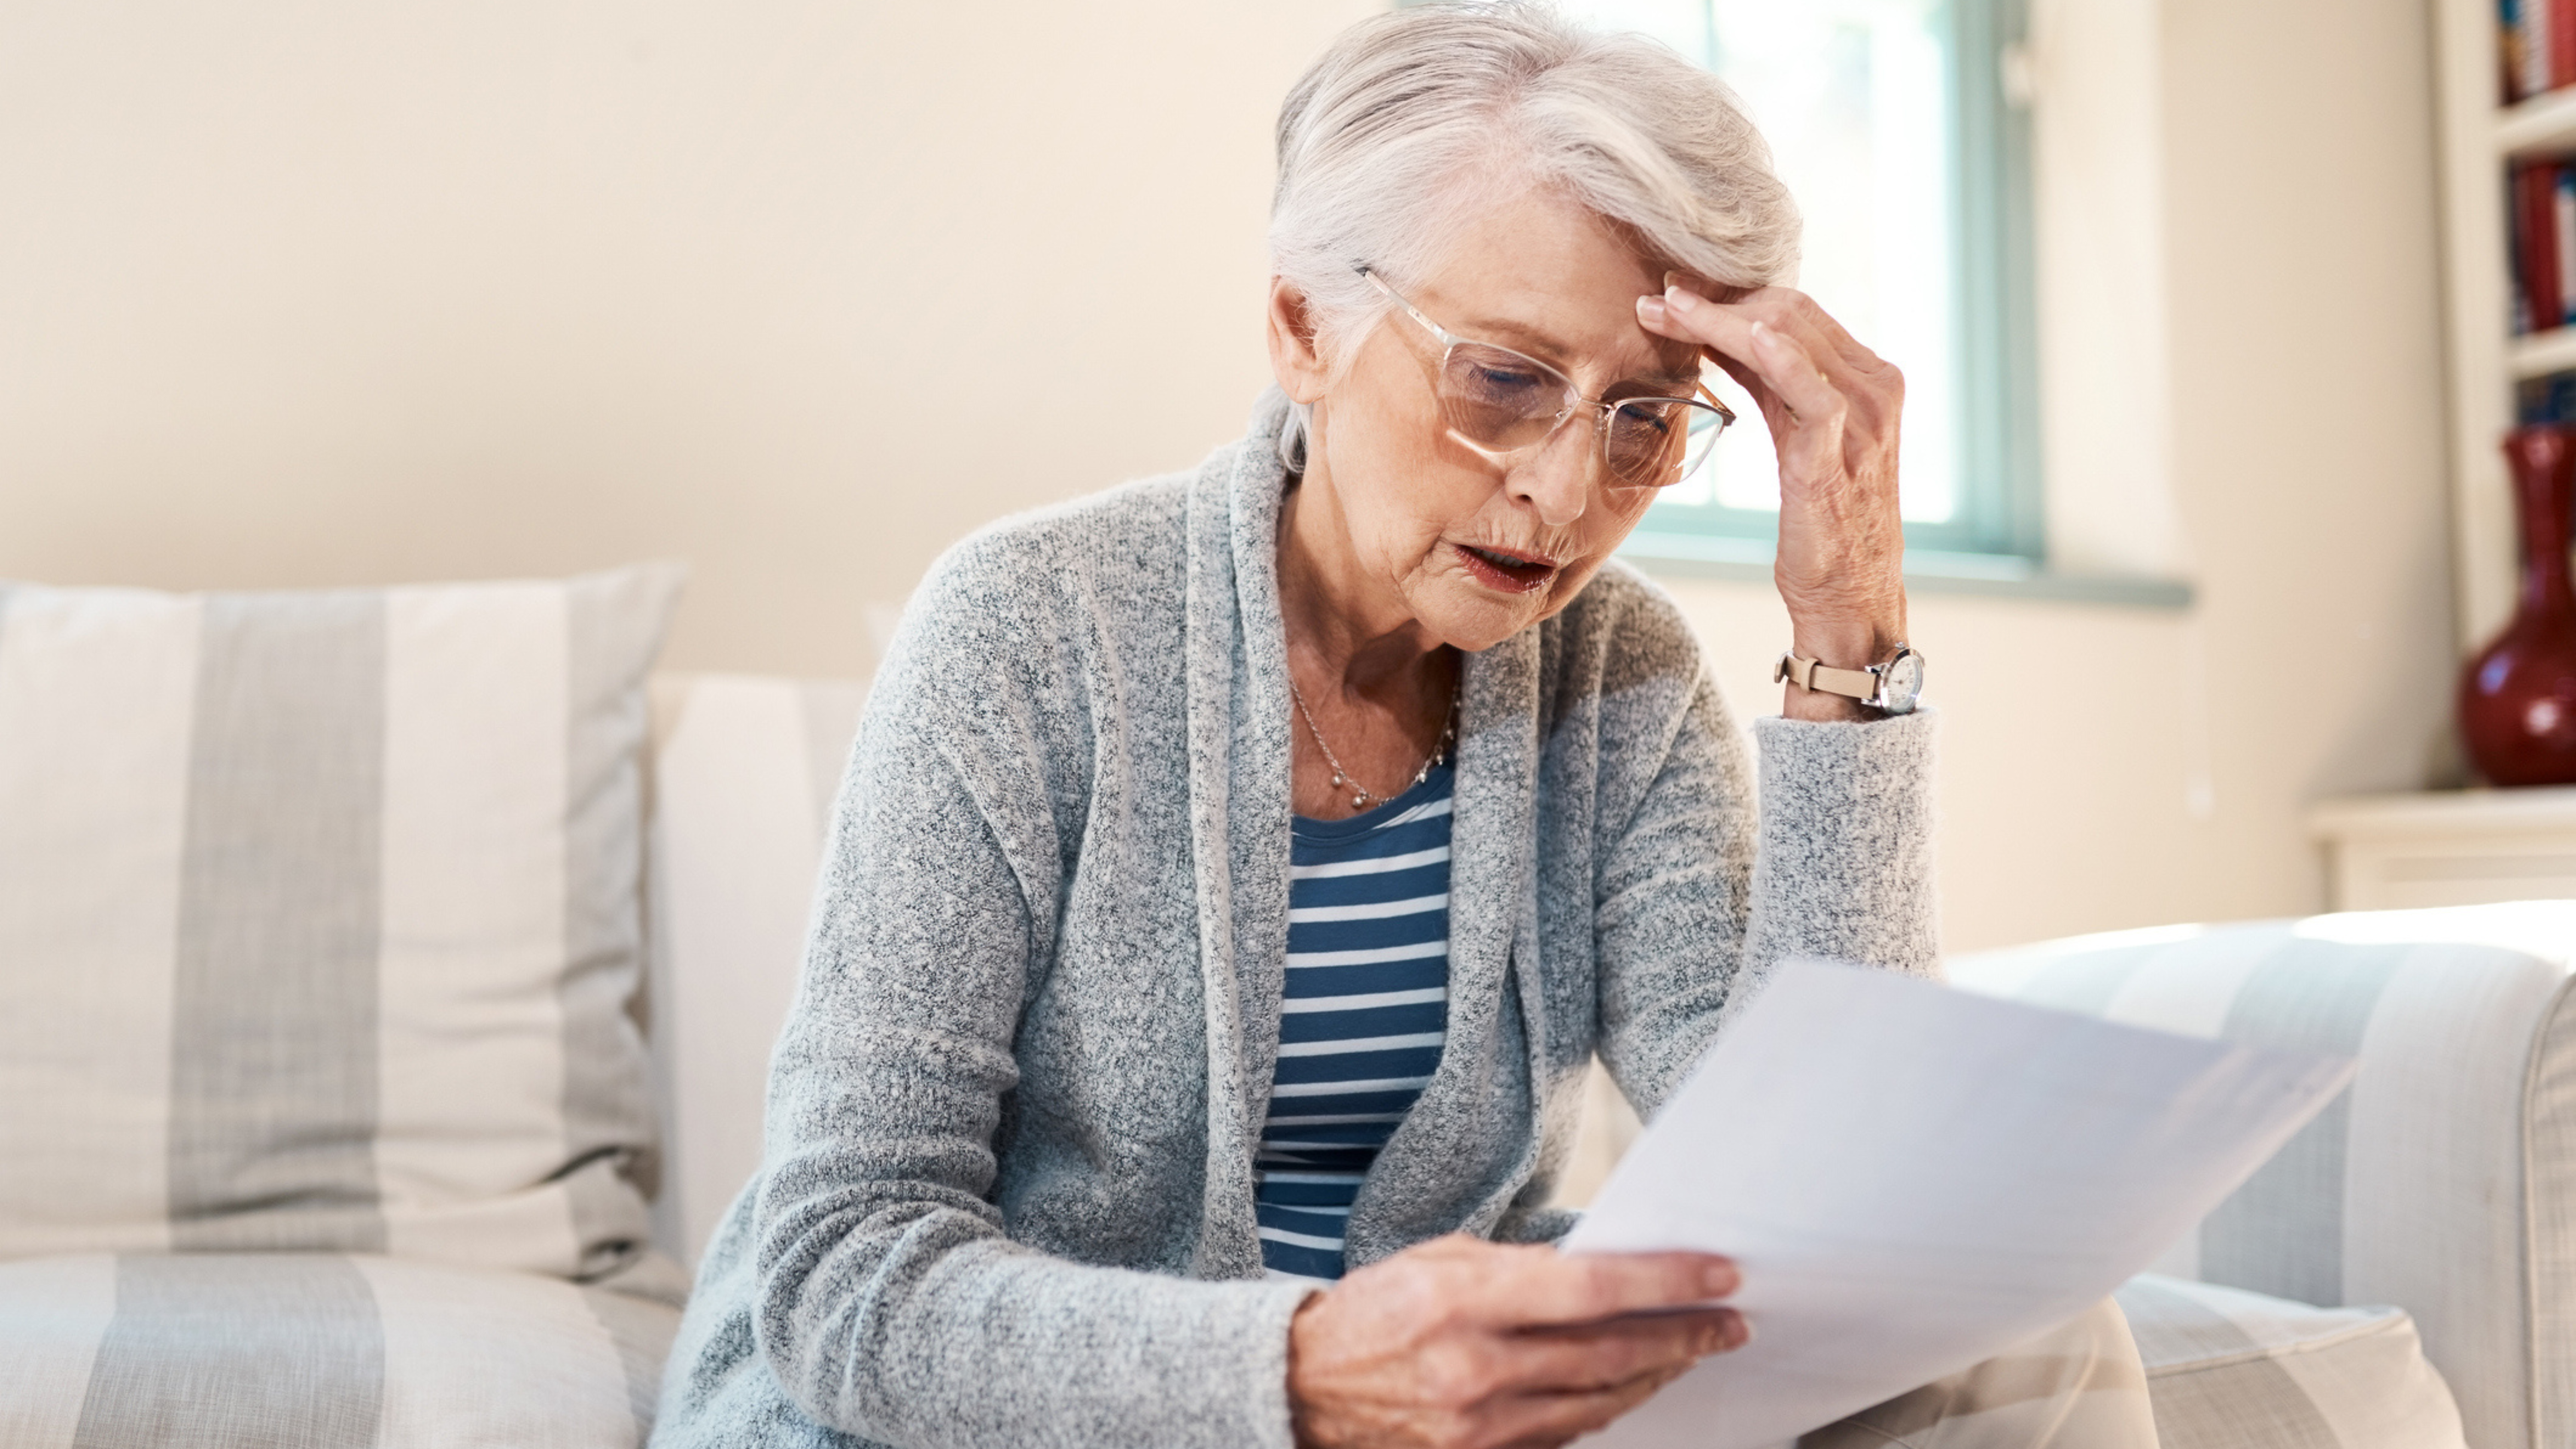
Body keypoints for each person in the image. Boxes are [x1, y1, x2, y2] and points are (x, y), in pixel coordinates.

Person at [652, 6, 2156, 1447]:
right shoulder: (1030, 629)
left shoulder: (1623, 683)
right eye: (1505, 380)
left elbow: (1832, 1190)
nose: (1569, 496)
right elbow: (841, 1267)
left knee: (2038, 1340)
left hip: (1437, 1418)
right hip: (1005, 1419)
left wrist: (1850, 629)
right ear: (1305, 328)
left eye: (1646, 417)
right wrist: (1300, 1372)